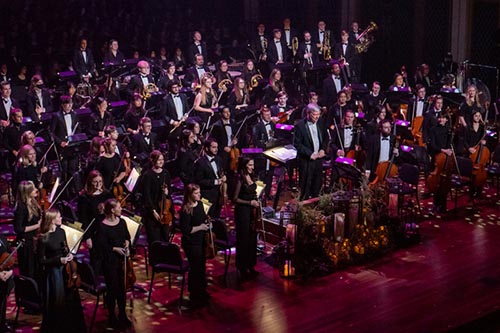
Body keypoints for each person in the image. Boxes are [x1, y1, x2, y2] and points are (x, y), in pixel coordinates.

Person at [38, 209, 86, 333]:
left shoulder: (61, 231)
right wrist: (59, 260)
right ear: (52, 220)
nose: (61, 219)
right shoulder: (43, 238)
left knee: (70, 298)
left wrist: (69, 255)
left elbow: (65, 248)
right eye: (59, 217)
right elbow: (41, 260)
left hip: (66, 270)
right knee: (58, 302)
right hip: (54, 273)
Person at [97, 199, 132, 328]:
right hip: (110, 261)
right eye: (118, 207)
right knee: (112, 289)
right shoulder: (102, 226)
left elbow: (127, 237)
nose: (121, 209)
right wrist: (115, 249)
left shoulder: (122, 222)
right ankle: (112, 316)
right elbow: (101, 246)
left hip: (121, 260)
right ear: (112, 210)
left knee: (122, 289)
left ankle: (122, 314)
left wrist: (127, 244)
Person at [179, 184, 210, 308]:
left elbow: (202, 218)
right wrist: (201, 227)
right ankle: (194, 294)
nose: (199, 195)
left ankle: (202, 291)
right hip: (191, 243)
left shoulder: (201, 205)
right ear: (190, 194)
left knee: (201, 267)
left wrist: (206, 221)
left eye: (199, 192)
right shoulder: (185, 210)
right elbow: (186, 230)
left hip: (201, 240)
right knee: (195, 268)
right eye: (196, 193)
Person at [77, 170, 113, 276]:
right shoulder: (84, 197)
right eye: (95, 182)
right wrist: (87, 237)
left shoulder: (107, 194)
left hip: (107, 231)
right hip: (94, 232)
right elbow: (83, 219)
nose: (98, 184)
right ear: (90, 182)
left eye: (100, 181)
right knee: (96, 260)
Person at [232, 156, 260, 280]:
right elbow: (235, 199)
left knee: (252, 238)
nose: (252, 167)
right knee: (243, 240)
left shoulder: (253, 176)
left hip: (252, 212)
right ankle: (242, 267)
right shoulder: (240, 179)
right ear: (244, 166)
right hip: (242, 211)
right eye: (249, 165)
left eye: (253, 165)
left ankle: (251, 265)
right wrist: (250, 203)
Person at [293, 103, 327, 199]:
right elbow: (297, 144)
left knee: (317, 184)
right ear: (308, 113)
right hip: (306, 161)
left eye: (318, 114)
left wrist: (323, 149)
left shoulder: (320, 122)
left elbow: (325, 138)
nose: (317, 117)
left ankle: (316, 205)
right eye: (314, 114)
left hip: (318, 159)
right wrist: (310, 154)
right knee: (305, 186)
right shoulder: (300, 126)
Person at [140, 150, 174, 246]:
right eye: (159, 160)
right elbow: (146, 195)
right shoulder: (148, 175)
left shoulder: (166, 173)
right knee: (154, 240)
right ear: (153, 160)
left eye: (162, 160)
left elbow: (170, 192)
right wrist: (153, 211)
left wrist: (167, 192)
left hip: (165, 210)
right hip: (152, 210)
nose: (161, 162)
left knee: (165, 238)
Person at [13, 180, 41, 279]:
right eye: (33, 189)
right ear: (27, 192)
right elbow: (18, 228)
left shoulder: (33, 202)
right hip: (26, 243)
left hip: (34, 240)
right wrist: (37, 226)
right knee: (29, 270)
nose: (36, 190)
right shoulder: (21, 207)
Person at [194, 138, 226, 218]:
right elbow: (199, 181)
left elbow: (221, 172)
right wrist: (215, 182)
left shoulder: (218, 159)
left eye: (217, 147)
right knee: (206, 217)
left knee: (216, 216)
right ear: (207, 148)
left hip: (219, 194)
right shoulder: (200, 163)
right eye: (213, 147)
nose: (216, 149)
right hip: (207, 195)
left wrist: (224, 177)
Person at [0, 234, 14, 333]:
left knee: (2, 302)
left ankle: (2, 324)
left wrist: (10, 272)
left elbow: (10, 254)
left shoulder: (2, 237)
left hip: (4, 276)